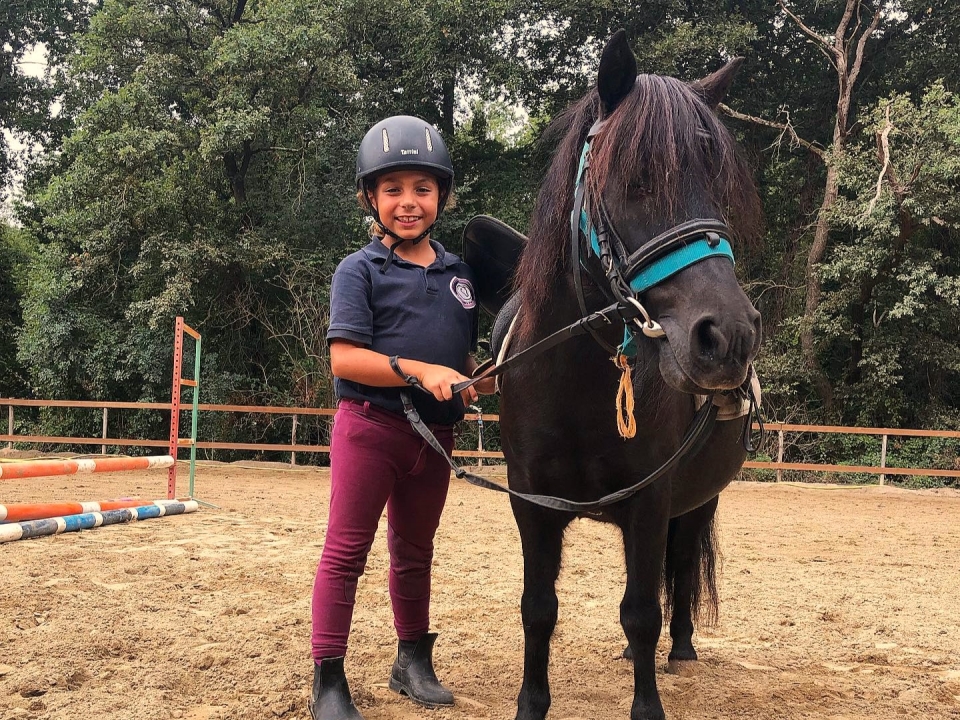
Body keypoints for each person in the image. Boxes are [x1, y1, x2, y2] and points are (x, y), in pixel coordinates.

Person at [310, 115, 495, 720]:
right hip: (372, 428)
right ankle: (329, 680)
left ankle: (412, 658)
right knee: (346, 552)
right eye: (393, 190)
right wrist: (421, 370)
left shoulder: (458, 275)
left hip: (434, 438)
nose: (408, 202)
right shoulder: (358, 270)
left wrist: (473, 376)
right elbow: (346, 356)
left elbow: (456, 354)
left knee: (415, 553)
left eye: (422, 188)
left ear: (441, 195)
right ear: (371, 197)